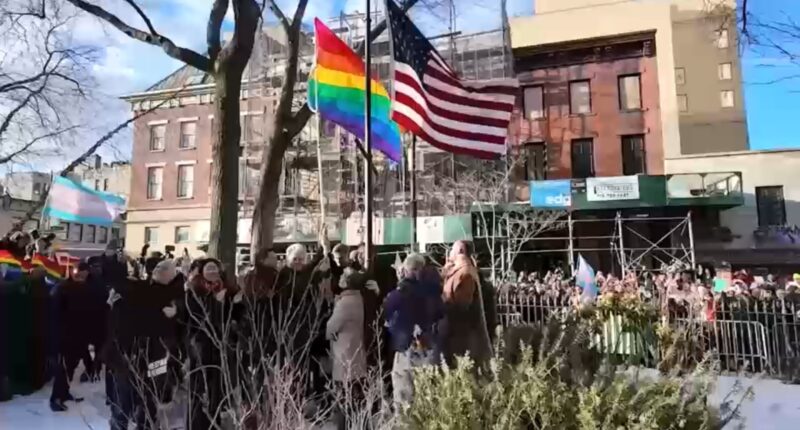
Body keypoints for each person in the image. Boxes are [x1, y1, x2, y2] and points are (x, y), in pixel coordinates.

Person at [104, 260, 182, 430]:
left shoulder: (174, 296)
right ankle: (122, 424)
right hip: (130, 351)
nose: (159, 270)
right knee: (125, 394)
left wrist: (176, 313)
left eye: (165, 269)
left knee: (150, 393)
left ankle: (144, 424)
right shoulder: (139, 288)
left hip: (155, 353)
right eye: (159, 267)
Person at [184, 258, 241, 430]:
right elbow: (197, 318)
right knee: (200, 388)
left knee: (218, 389)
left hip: (222, 346)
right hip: (201, 346)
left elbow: (235, 317)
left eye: (215, 268)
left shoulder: (229, 290)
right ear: (202, 272)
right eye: (208, 269)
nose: (212, 272)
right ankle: (197, 424)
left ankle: (214, 423)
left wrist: (237, 304)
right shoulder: (194, 291)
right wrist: (216, 302)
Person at [385, 253, 444, 410]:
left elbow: (386, 312)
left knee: (404, 397)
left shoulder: (400, 292)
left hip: (406, 349)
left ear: (406, 270)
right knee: (428, 397)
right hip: (428, 347)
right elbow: (440, 314)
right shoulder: (434, 291)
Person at [440, 240, 492, 367]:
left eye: (452, 249)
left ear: (460, 250)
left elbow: (462, 307)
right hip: (458, 337)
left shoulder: (465, 274)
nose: (450, 252)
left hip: (463, 339)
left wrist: (441, 308)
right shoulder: (458, 272)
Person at [326, 268, 367, 428]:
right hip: (355, 349)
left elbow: (331, 327)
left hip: (344, 352)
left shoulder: (345, 303)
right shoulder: (358, 298)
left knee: (344, 393)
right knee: (355, 392)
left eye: (343, 276)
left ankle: (344, 425)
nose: (340, 277)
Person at [50, 262, 93, 412]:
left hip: (78, 335)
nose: (80, 276)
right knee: (62, 368)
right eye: (78, 273)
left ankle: (64, 392)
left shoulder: (83, 288)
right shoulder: (62, 289)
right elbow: (57, 314)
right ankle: (56, 398)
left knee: (71, 367)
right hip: (64, 336)